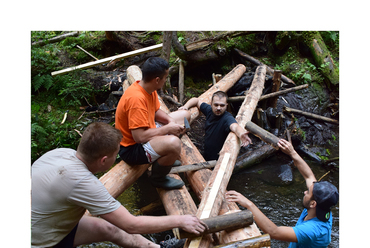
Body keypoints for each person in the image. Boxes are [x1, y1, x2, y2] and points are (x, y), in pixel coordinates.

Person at [31, 122, 207, 248]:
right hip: (41, 241)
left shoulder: (61, 153)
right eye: (116, 154)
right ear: (103, 160)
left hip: (41, 225)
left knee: (110, 228)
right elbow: (131, 225)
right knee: (122, 225)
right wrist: (180, 220)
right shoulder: (81, 182)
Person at [225, 139, 339, 247]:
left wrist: (248, 204)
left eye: (308, 192)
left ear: (313, 203)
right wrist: (292, 152)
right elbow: (309, 176)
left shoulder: (312, 230)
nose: (305, 191)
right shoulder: (322, 207)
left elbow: (274, 232)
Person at [115, 57, 191, 190]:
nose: (165, 80)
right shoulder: (136, 99)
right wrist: (168, 128)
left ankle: (164, 159)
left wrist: (169, 121)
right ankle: (158, 178)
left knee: (185, 115)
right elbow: (140, 137)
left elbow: (155, 111)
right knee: (174, 144)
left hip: (145, 133)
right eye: (165, 77)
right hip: (132, 148)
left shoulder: (147, 88)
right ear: (157, 80)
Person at [179, 91, 252, 161]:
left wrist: (241, 133)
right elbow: (197, 100)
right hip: (207, 154)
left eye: (222, 105)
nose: (218, 108)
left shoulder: (227, 118)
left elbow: (235, 126)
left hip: (218, 159)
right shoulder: (209, 110)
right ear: (211, 104)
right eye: (216, 105)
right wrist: (185, 106)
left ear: (226, 105)